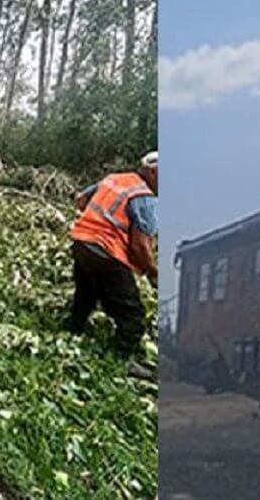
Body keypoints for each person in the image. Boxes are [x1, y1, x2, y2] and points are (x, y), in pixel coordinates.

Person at [67, 151, 158, 380]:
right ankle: (120, 360)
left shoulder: (115, 178)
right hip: (105, 253)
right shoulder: (145, 198)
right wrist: (152, 272)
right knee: (133, 315)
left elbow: (80, 199)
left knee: (86, 295)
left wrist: (95, 224)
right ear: (153, 173)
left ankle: (72, 330)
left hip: (80, 243)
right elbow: (139, 246)